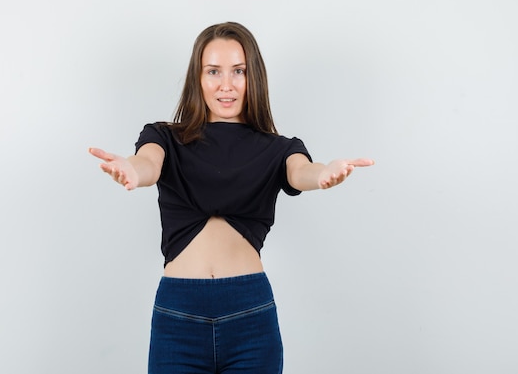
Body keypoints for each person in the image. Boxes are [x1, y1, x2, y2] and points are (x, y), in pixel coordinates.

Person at [89, 21, 374, 374]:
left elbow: (301, 171)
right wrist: (132, 170)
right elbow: (148, 162)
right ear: (198, 78)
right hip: (178, 314)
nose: (226, 85)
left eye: (238, 71)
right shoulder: (163, 137)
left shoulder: (279, 148)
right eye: (213, 72)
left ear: (253, 76)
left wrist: (324, 173)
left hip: (250, 314)